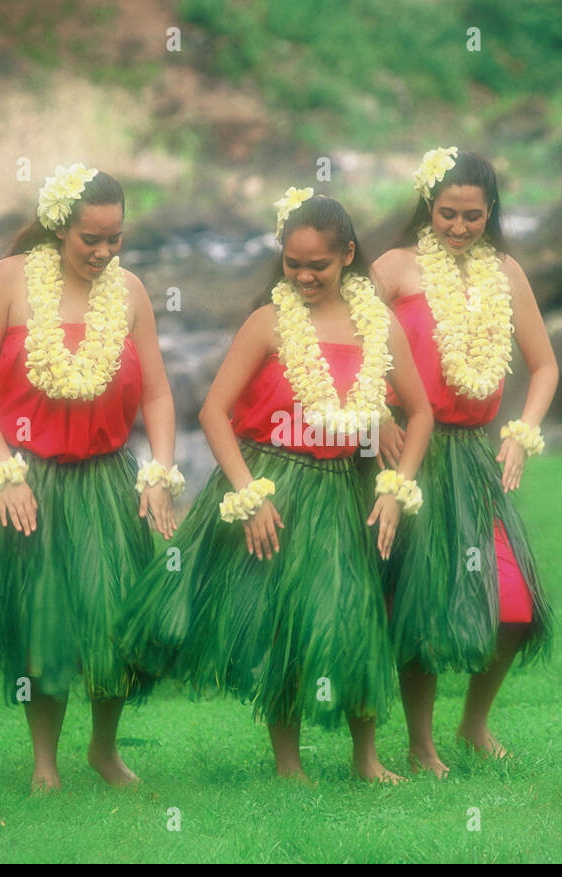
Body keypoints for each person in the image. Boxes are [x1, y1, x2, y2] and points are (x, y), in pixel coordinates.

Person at [117, 189, 433, 784]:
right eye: (293, 264)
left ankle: (366, 757)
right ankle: (288, 765)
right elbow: (214, 412)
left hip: (345, 487)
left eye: (319, 264)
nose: (305, 275)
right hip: (274, 483)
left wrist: (396, 486)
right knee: (281, 619)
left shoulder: (378, 324)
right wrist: (248, 494)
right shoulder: (268, 322)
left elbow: (420, 413)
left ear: (347, 255)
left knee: (354, 614)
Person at [0, 163, 182, 794]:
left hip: (103, 477)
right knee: (44, 623)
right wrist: (1, 469)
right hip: (25, 476)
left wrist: (160, 470)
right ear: (58, 227)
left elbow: (157, 395)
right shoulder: (9, 281)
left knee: (115, 619)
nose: (103, 252)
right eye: (90, 239)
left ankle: (103, 749)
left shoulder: (131, 294)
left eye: (114, 238)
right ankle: (45, 763)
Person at [369, 147, 559, 777]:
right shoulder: (394, 269)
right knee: (420, 605)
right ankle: (421, 745)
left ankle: (474, 722)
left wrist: (521, 433)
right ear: (428, 206)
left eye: (472, 216)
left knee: (514, 602)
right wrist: (377, 418)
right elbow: (349, 350)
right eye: (447, 213)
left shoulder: (506, 272)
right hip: (413, 456)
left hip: (478, 457)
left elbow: (546, 367)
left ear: (491, 212)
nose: (458, 227)